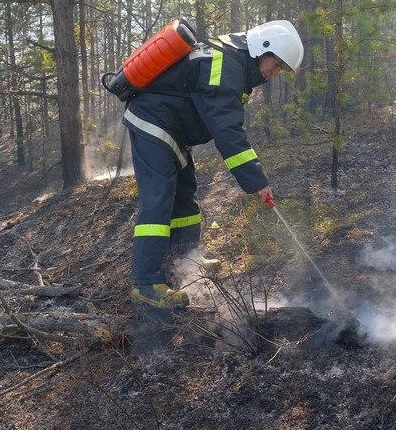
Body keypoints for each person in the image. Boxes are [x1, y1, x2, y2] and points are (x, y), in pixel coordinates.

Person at [124, 20, 304, 308]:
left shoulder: (234, 64)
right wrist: (256, 181)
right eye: (276, 64)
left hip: (172, 129)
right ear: (262, 49)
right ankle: (147, 284)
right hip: (152, 124)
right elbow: (228, 133)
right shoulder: (227, 67)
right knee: (159, 200)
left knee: (185, 197)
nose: (275, 72)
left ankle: (187, 259)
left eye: (280, 69)